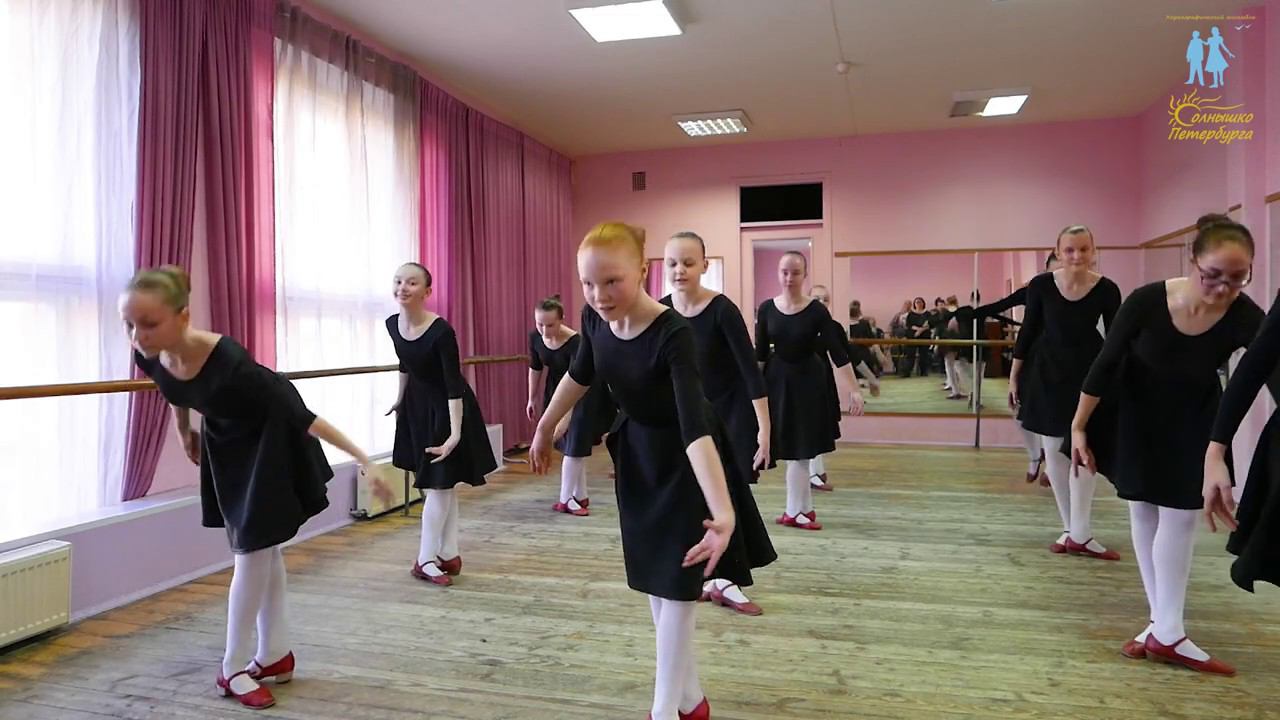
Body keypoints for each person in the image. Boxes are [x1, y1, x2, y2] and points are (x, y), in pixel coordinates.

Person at [531, 222, 775, 720]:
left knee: (678, 586)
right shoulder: (595, 319)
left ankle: (664, 711)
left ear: (643, 271)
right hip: (639, 456)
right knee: (656, 584)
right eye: (588, 283)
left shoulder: (672, 332)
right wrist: (545, 425)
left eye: (612, 282)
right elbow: (581, 373)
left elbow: (694, 427)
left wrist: (723, 511)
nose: (599, 295)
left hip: (688, 464)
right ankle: (691, 701)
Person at [121, 266, 384, 710]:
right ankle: (275, 653)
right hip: (227, 444)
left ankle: (232, 667)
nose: (137, 335)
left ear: (183, 317)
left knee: (252, 550)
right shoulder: (148, 352)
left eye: (148, 324)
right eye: (128, 324)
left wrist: (364, 459)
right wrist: (184, 430)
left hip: (271, 441)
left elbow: (303, 417)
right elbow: (173, 388)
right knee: (263, 549)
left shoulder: (232, 363)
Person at [1074, 219, 1259, 676]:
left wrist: (1219, 451)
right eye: (1213, 275)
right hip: (1137, 416)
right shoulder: (1146, 301)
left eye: (1238, 278)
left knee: (1180, 517)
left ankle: (1165, 630)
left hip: (1196, 421)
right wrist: (1078, 426)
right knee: (1144, 512)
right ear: (1193, 260)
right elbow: (1106, 362)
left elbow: (1266, 373)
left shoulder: (1243, 314)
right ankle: (1164, 628)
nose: (1224, 288)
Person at [661, 230, 772, 616]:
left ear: (704, 266)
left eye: (688, 263)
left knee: (727, 497)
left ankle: (729, 581)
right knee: (689, 499)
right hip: (683, 421)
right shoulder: (659, 312)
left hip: (728, 417)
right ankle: (705, 576)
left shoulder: (722, 310)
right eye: (672, 263)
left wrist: (764, 429)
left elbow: (750, 372)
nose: (680, 270)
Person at [1009, 226, 1121, 558]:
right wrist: (1015, 375)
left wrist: (1117, 381)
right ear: (1058, 252)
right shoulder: (1041, 285)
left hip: (1088, 375)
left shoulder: (1106, 289)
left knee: (1083, 450)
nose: (1077, 256)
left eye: (1084, 249)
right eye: (1070, 250)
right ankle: (1071, 529)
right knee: (1054, 453)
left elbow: (1116, 339)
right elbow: (1028, 330)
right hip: (1046, 374)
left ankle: (1081, 531)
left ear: (1093, 251)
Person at [387, 262, 498, 587]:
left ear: (427, 291)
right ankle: (448, 552)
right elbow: (404, 363)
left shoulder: (441, 332)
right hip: (417, 407)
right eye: (398, 281)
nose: (403, 287)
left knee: (440, 484)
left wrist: (455, 433)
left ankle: (424, 559)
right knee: (441, 484)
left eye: (412, 283)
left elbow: (453, 385)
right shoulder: (392, 324)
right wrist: (399, 399)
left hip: (449, 409)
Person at [756, 252, 865, 528]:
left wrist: (854, 389)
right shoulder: (767, 309)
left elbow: (837, 352)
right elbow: (759, 355)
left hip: (809, 383)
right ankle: (799, 510)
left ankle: (797, 511)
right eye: (784, 272)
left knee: (802, 450)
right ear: (778, 273)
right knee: (794, 451)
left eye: (795, 272)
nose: (789, 278)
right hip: (779, 383)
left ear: (805, 275)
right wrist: (753, 390)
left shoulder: (816, 311)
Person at [527, 294, 616, 516]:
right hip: (556, 389)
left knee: (575, 444)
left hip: (583, 390)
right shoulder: (535, 338)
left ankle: (565, 500)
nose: (544, 330)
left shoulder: (577, 343)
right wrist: (531, 398)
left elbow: (577, 383)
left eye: (550, 325)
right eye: (540, 324)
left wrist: (563, 421)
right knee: (571, 446)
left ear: (562, 320)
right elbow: (535, 367)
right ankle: (580, 495)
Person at [809, 285, 878, 492]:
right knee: (810, 426)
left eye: (825, 299)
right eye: (816, 298)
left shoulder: (832, 327)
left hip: (822, 380)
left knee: (820, 425)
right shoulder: (798, 323)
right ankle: (811, 473)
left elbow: (848, 356)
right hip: (801, 382)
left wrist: (871, 379)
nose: (821, 303)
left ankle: (817, 469)